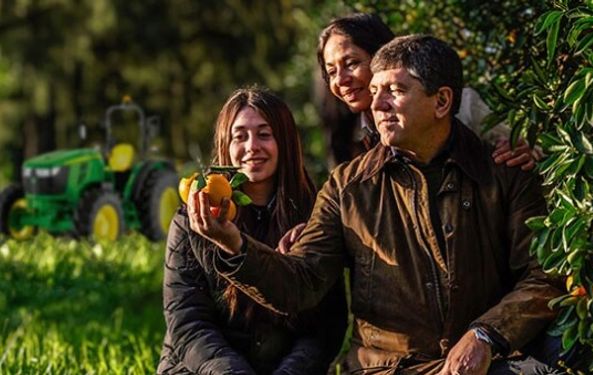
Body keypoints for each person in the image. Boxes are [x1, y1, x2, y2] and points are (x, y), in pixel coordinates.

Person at [187, 36, 565, 374]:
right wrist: (234, 245)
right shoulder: (347, 186)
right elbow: (300, 284)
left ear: (442, 101)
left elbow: (543, 276)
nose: (377, 104)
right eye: (375, 89)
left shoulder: (504, 173)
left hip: (486, 364)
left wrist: (486, 335)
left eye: (395, 90)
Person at [157, 87, 347, 375]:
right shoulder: (193, 219)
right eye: (240, 136)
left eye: (264, 134)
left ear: (284, 141)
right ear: (225, 144)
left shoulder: (316, 216)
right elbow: (187, 323)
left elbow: (326, 327)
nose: (251, 146)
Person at [316, 13, 536, 169]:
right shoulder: (346, 134)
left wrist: (525, 153)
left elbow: (521, 153)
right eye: (332, 71)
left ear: (383, 55)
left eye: (351, 63)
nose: (341, 80)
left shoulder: (463, 106)